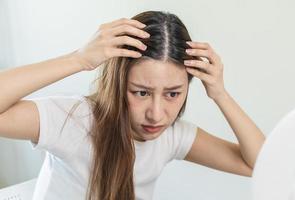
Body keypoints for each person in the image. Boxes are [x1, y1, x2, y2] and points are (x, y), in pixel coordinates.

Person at [0, 10, 265, 200]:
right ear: (118, 83)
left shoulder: (173, 135)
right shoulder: (74, 120)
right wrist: (78, 59)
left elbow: (259, 164)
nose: (156, 114)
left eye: (173, 94)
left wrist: (220, 94)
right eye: (141, 93)